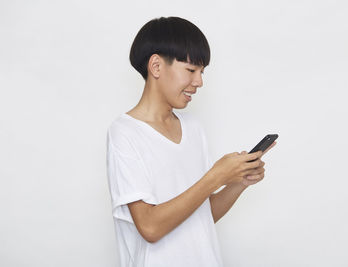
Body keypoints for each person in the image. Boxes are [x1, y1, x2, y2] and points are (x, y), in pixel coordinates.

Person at [106, 16, 276, 267]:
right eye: (191, 70)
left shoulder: (193, 128)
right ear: (156, 66)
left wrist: (238, 183)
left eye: (202, 72)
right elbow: (150, 227)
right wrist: (216, 176)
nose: (199, 82)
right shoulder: (124, 133)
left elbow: (202, 216)